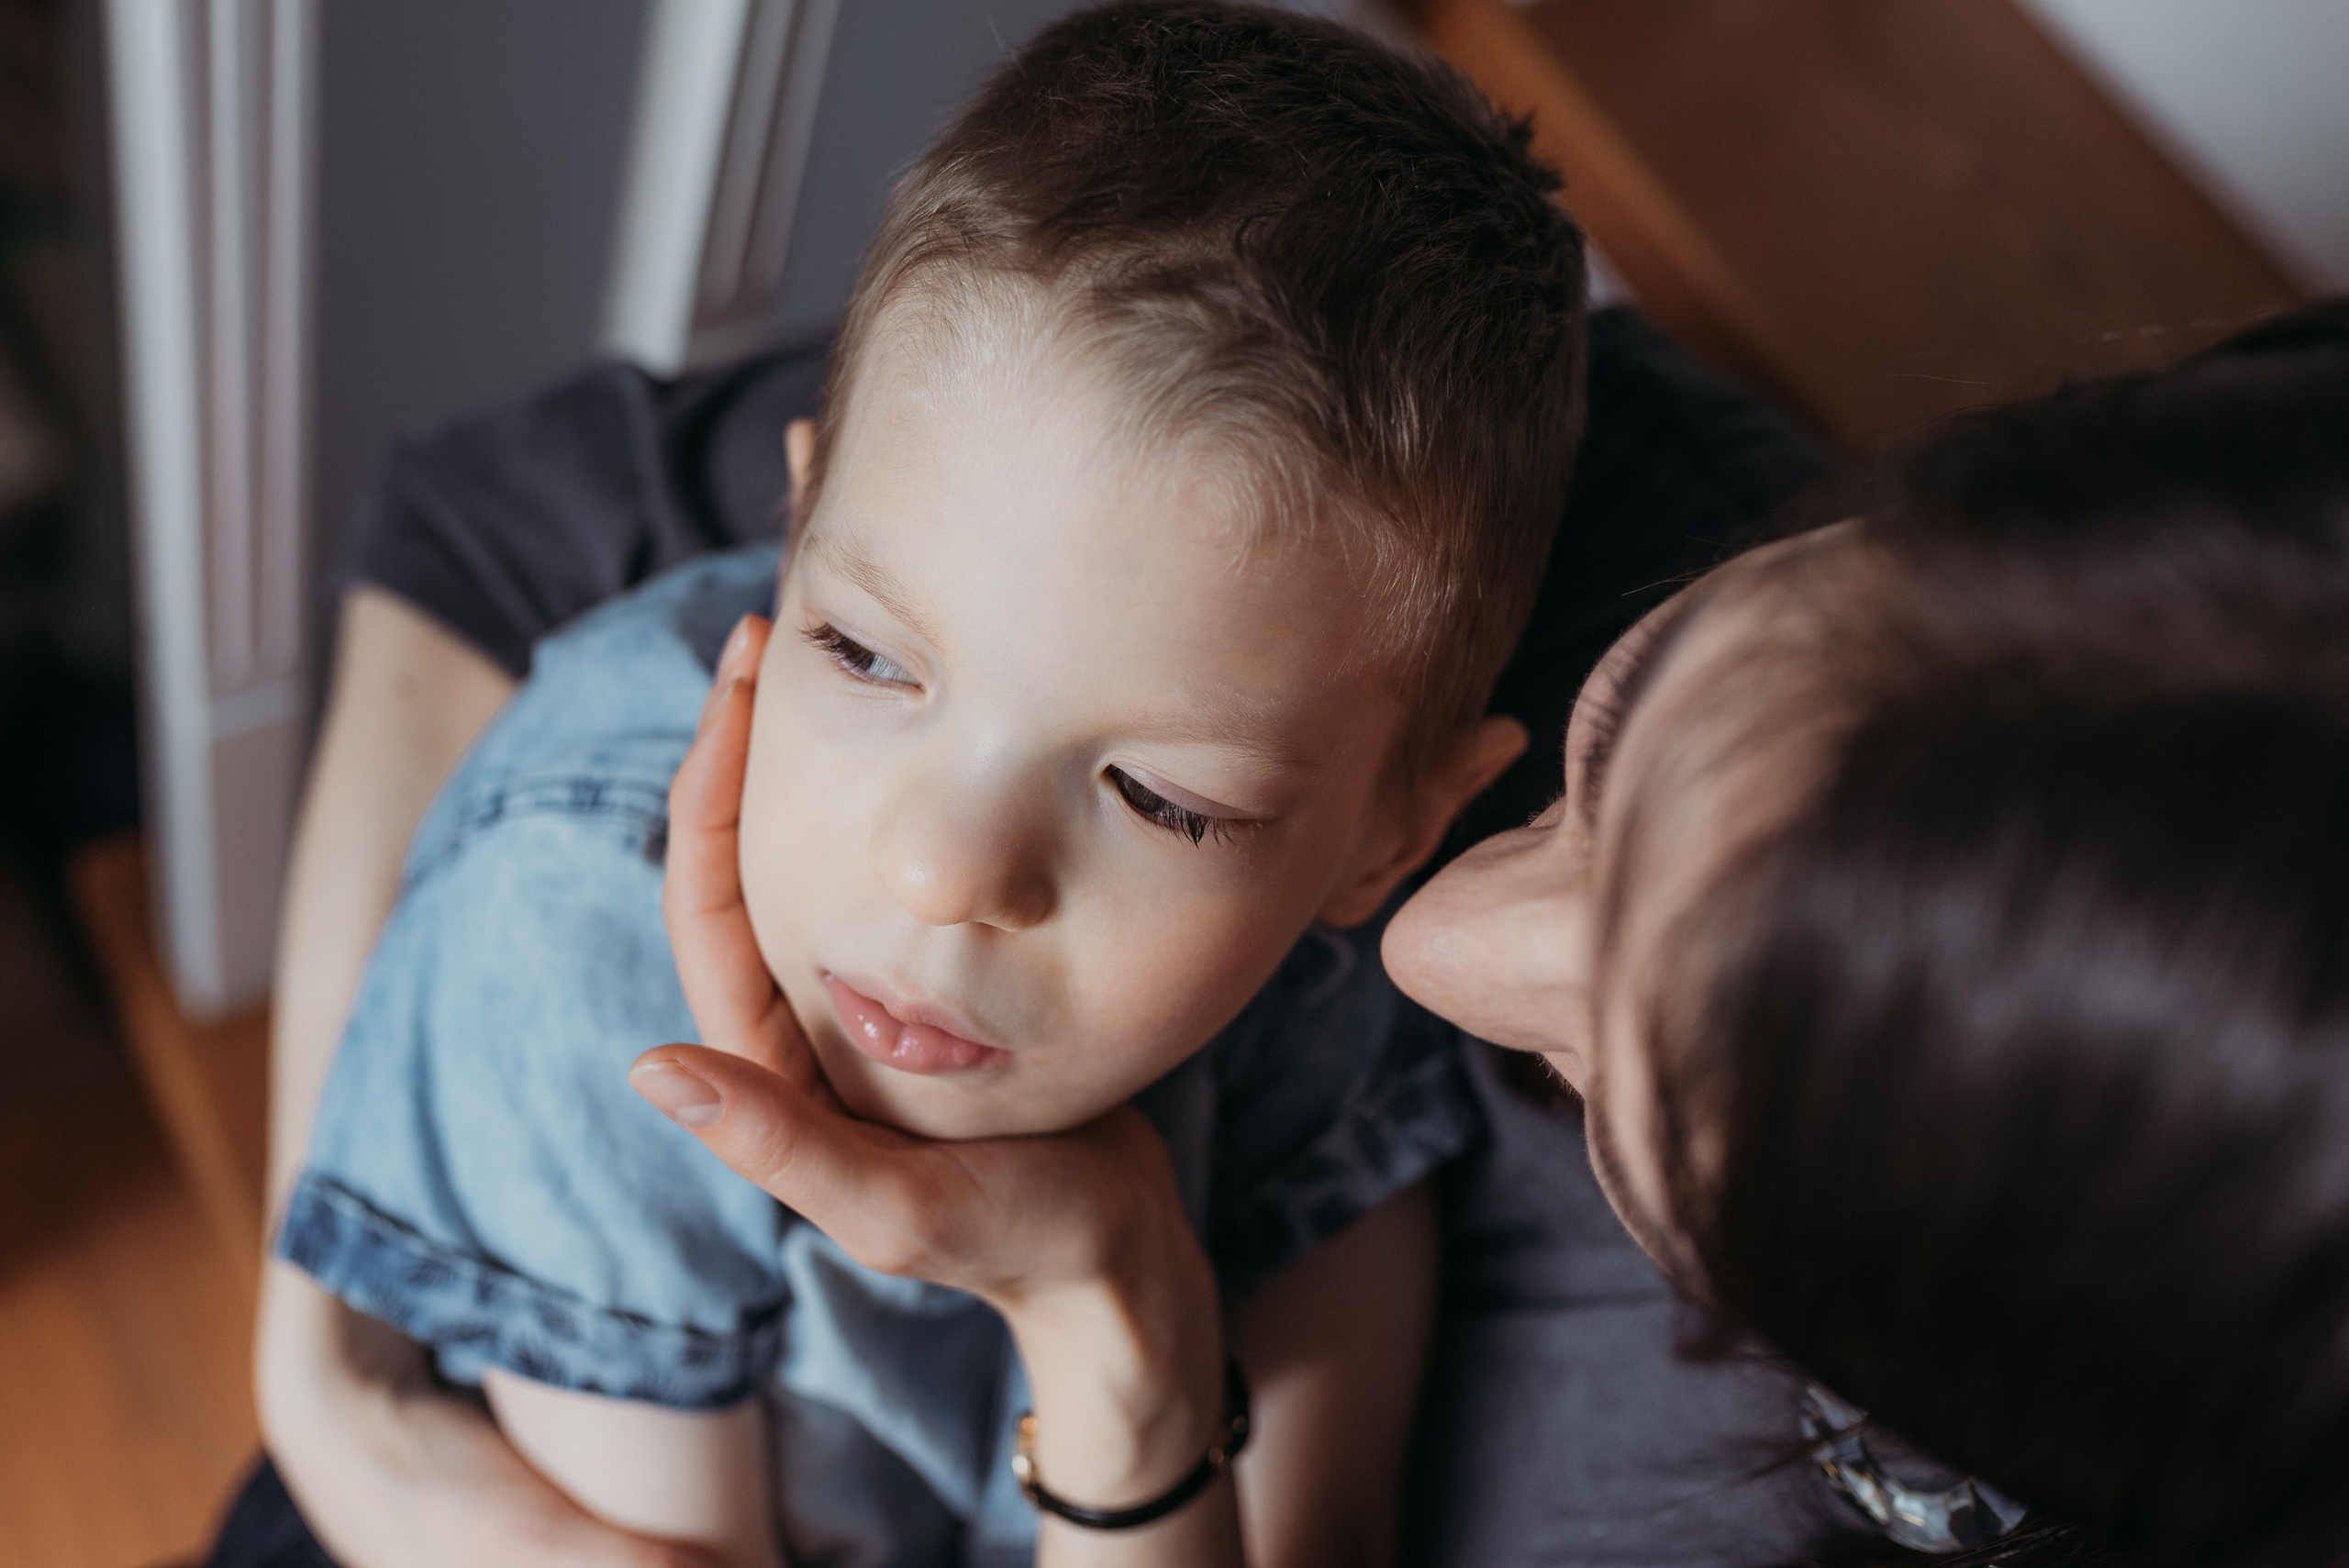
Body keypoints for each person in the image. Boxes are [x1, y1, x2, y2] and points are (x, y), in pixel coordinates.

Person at [638, 305, 2349, 1567]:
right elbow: (509, 512)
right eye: (1623, 737)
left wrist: (1113, 1325)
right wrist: (370, 1393)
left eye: (1644, 1076)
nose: (1430, 938)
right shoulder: (1601, 483)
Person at [269, 6, 1596, 1564]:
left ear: (1393, 831)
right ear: (800, 511)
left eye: (1161, 801)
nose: (941, 869)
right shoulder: (578, 926)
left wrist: (1105, 1305)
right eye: (868, 655)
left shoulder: (1319, 939)